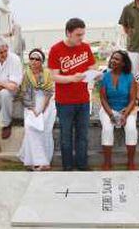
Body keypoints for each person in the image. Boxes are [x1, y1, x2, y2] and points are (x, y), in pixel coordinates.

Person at [48, 18, 96, 171]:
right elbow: (53, 76)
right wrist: (71, 78)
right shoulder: (56, 49)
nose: (81, 38)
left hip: (83, 99)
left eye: (82, 34)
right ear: (68, 33)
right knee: (66, 137)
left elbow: (93, 66)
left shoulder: (86, 47)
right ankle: (67, 167)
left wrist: (94, 74)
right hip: (65, 101)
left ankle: (82, 165)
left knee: (83, 136)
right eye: (78, 35)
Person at [99, 50, 138, 170]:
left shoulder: (130, 77)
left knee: (131, 129)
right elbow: (103, 99)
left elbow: (132, 99)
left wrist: (125, 116)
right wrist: (111, 115)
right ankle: (107, 162)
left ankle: (131, 162)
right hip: (108, 109)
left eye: (117, 59)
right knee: (107, 129)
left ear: (123, 63)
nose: (113, 61)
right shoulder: (105, 76)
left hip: (127, 109)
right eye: (112, 58)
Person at [19, 49, 56, 171]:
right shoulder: (26, 74)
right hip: (31, 104)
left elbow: (49, 93)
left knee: (43, 130)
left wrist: (40, 110)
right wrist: (32, 108)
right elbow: (24, 93)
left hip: (46, 105)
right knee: (30, 128)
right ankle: (33, 160)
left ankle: (44, 161)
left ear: (42, 61)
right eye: (32, 59)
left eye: (37, 59)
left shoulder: (47, 74)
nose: (34, 61)